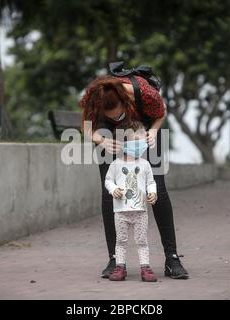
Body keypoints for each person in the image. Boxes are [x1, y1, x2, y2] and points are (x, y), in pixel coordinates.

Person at [79, 73, 189, 280]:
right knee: (109, 190)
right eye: (109, 115)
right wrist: (99, 139)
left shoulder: (144, 93)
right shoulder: (94, 95)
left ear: (124, 99)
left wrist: (154, 131)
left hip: (142, 130)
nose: (115, 118)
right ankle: (114, 260)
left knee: (157, 187)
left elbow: (161, 112)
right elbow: (86, 125)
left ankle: (172, 259)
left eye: (117, 114)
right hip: (107, 135)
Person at [105, 120, 158, 282]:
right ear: (124, 143)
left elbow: (151, 182)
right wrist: (113, 189)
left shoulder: (145, 164)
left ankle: (145, 267)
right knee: (120, 241)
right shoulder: (115, 164)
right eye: (135, 141)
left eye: (141, 141)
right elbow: (108, 180)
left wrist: (153, 193)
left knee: (142, 241)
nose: (139, 145)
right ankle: (120, 267)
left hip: (140, 211)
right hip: (120, 211)